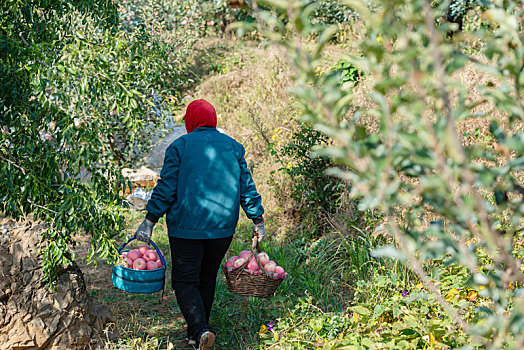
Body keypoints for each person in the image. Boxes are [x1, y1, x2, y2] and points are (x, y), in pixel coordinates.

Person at [134, 99, 266, 349]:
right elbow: (246, 187)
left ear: (190, 121)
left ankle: (200, 329)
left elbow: (167, 187)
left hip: (187, 228)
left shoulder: (180, 146)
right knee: (206, 277)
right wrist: (257, 219)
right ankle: (198, 335)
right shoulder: (234, 147)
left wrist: (150, 219)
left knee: (184, 281)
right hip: (222, 228)